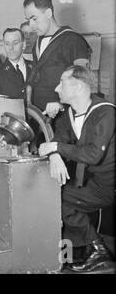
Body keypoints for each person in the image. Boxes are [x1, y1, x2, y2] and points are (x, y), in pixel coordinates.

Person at [38, 65, 115, 273]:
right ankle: (86, 252)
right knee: (53, 195)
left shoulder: (105, 112)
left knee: (57, 198)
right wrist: (55, 155)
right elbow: (56, 140)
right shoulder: (69, 114)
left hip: (108, 186)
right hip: (89, 181)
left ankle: (98, 250)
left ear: (79, 86)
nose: (56, 88)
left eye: (61, 82)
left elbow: (93, 154)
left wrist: (55, 148)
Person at [23, 0, 90, 117]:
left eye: (34, 18)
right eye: (28, 20)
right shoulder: (37, 43)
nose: (31, 25)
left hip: (63, 115)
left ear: (48, 13)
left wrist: (61, 104)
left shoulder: (73, 40)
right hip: (39, 115)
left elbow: (84, 81)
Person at [0, 28, 32, 100]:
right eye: (7, 44)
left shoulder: (35, 67)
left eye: (15, 43)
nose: (11, 48)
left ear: (24, 45)